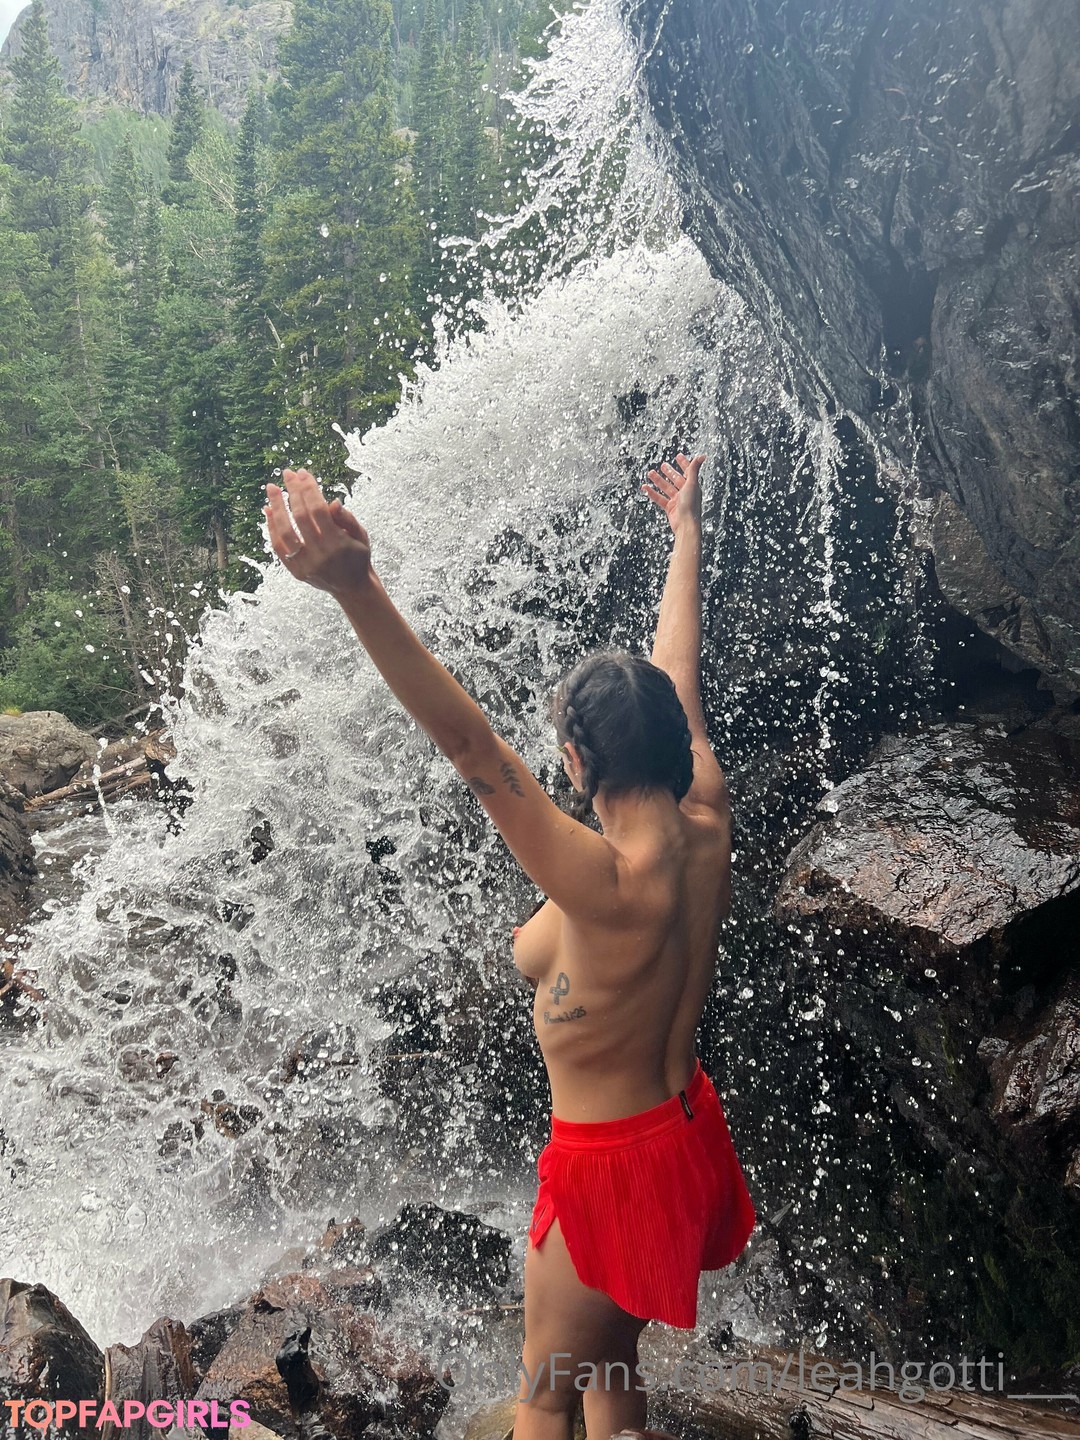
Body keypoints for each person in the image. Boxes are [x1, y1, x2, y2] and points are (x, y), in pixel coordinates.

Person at [262, 452, 756, 1440]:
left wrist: (358, 589)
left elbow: (472, 747)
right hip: (685, 1135)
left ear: (573, 761)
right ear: (672, 739)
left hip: (609, 1168)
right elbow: (677, 673)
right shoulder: (705, 815)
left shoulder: (602, 884)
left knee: (543, 1394)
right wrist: (686, 533)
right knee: (608, 1361)